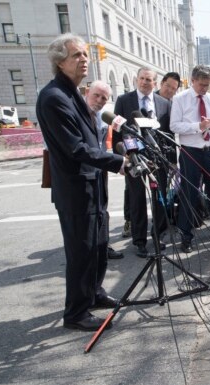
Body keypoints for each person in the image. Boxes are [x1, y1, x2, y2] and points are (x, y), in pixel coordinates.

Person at [36, 34, 126, 331]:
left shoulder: (74, 92)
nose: (84, 59)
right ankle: (75, 313)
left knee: (99, 246)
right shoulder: (53, 97)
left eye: (86, 54)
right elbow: (75, 148)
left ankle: (94, 293)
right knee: (81, 251)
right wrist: (117, 162)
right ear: (60, 61)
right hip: (75, 190)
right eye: (77, 55)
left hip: (93, 184)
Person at [113, 67, 172, 258]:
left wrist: (171, 161)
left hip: (157, 156)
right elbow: (116, 132)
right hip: (134, 157)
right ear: (136, 80)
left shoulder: (164, 103)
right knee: (137, 198)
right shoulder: (123, 101)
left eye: (149, 79)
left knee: (160, 197)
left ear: (155, 83)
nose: (145, 82)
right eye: (142, 78)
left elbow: (169, 134)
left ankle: (159, 235)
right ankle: (139, 240)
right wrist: (123, 156)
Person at [170, 65, 210, 253]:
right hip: (191, 151)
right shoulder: (180, 99)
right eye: (201, 85)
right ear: (192, 80)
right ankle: (186, 235)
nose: (204, 89)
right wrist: (198, 126)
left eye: (207, 85)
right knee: (189, 192)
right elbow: (174, 126)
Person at [84, 80, 124, 261]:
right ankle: (89, 249)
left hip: (101, 168)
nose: (99, 100)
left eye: (104, 98)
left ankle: (103, 245)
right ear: (87, 93)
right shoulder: (79, 114)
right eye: (96, 95)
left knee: (103, 209)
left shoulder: (103, 116)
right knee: (87, 213)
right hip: (82, 173)